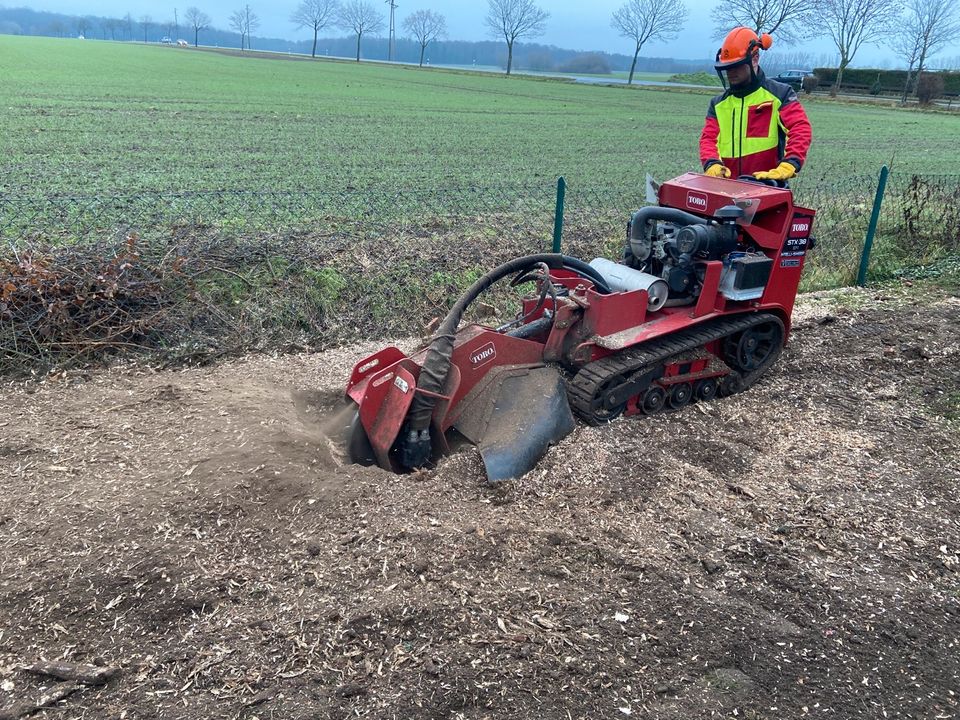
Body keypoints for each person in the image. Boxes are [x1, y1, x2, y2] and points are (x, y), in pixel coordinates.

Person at [699, 27, 812, 182]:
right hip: (726, 187)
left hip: (767, 186)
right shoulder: (718, 104)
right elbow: (708, 139)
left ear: (755, 58)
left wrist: (790, 163)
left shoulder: (780, 94)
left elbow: (800, 128)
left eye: (736, 65)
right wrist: (711, 163)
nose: (730, 72)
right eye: (727, 67)